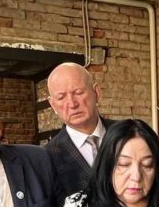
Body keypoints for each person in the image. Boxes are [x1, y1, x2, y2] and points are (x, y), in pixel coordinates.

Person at [45, 62, 118, 192]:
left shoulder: (128, 134)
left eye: (78, 92)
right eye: (61, 97)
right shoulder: (48, 157)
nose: (72, 104)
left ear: (96, 92)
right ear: (53, 105)